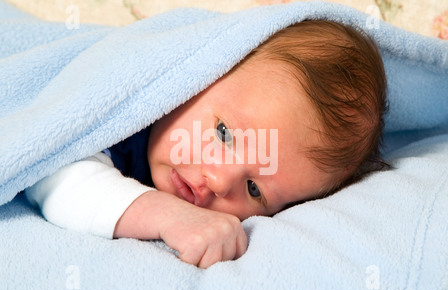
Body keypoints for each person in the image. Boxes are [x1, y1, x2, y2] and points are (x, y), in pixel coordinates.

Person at [25, 20, 388, 268]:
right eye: (225, 134)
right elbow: (48, 167)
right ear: (204, 72)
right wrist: (166, 215)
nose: (219, 180)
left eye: (254, 189)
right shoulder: (116, 112)